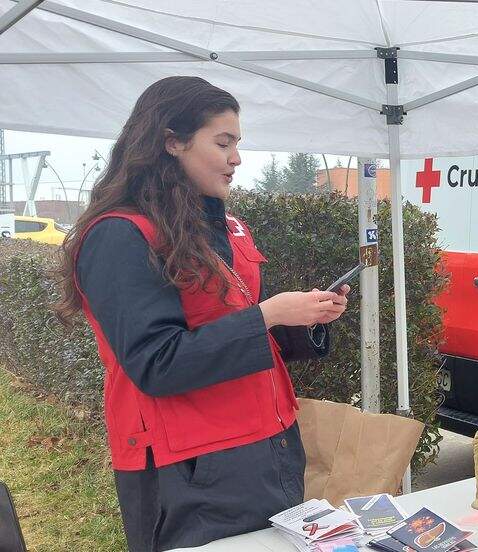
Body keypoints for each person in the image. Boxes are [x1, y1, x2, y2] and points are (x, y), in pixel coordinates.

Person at [55, 76, 350, 551]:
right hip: (192, 468)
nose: (236, 159)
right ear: (172, 141)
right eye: (223, 143)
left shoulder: (219, 227)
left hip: (267, 444)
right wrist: (267, 316)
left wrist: (302, 319)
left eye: (238, 144)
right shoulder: (120, 235)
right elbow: (158, 362)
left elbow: (235, 332)